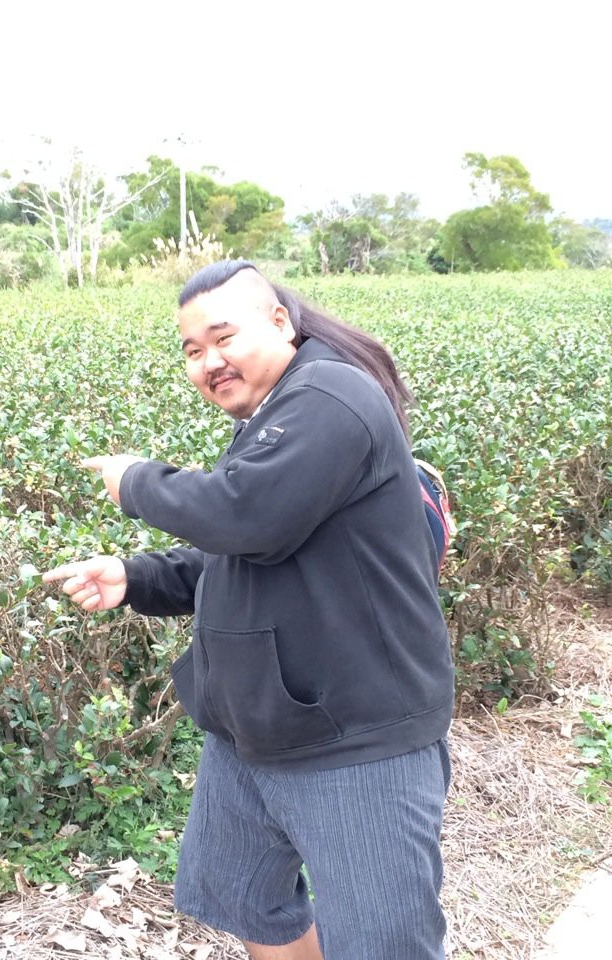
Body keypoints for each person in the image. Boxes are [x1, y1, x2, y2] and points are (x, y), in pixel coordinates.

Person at [43, 261, 454, 960]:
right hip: (257, 733)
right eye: (192, 351)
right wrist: (133, 578)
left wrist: (138, 481)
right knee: (243, 896)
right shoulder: (278, 416)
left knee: (383, 943)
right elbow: (245, 553)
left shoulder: (330, 395)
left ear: (280, 323)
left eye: (222, 337)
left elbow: (244, 517)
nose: (209, 362)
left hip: (354, 740)